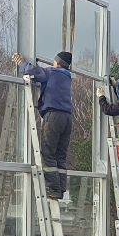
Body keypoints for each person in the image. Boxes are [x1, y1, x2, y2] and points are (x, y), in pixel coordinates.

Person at [12, 50, 74, 200]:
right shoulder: (68, 77)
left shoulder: (51, 72)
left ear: (57, 63)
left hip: (53, 116)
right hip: (67, 118)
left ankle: (53, 189)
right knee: (60, 155)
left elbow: (32, 72)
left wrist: (21, 63)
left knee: (48, 153)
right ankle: (60, 189)